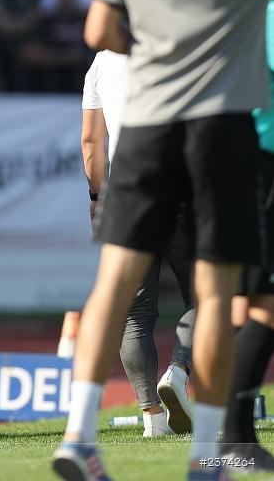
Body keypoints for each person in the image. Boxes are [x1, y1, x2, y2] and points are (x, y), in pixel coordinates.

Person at [52, 0, 273, 480]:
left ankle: (78, 436)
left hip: (146, 130)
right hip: (218, 123)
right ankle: (207, 454)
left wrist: (154, 48)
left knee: (115, 291)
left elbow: (98, 29)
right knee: (216, 296)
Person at [81, 50, 196, 437]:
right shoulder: (180, 39)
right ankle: (178, 372)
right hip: (182, 189)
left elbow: (91, 141)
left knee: (135, 313)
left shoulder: (101, 62)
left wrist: (98, 198)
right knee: (208, 298)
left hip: (127, 198)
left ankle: (152, 416)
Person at [219, 0, 274, 473]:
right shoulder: (269, 14)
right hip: (261, 166)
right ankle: (234, 436)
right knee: (261, 306)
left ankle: (233, 432)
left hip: (247, 163)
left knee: (244, 305)